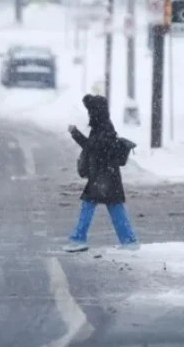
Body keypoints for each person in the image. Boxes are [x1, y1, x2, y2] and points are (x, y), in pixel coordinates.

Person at [64, 94, 139, 252]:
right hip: (106, 176)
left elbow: (92, 148)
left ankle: (78, 239)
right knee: (113, 207)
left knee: (91, 206)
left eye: (90, 111)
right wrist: (76, 134)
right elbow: (92, 147)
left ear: (95, 112)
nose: (89, 115)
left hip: (103, 176)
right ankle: (128, 240)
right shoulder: (102, 126)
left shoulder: (104, 129)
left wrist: (76, 134)